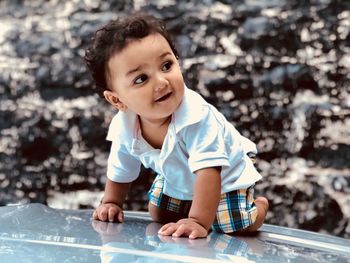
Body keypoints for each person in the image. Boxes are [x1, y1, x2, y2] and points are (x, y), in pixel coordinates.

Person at [84, 13, 268, 239]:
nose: (161, 82)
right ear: (117, 100)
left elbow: (209, 171)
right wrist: (111, 202)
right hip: (181, 174)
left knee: (232, 225)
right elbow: (121, 168)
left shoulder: (197, 117)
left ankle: (258, 208)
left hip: (224, 172)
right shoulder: (125, 126)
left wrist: (197, 221)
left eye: (166, 65)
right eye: (141, 79)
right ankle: (193, 206)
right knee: (159, 214)